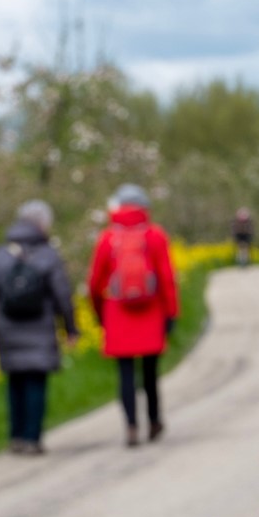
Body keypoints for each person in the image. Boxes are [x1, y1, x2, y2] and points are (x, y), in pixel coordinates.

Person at [0, 200, 79, 456]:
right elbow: (62, 294)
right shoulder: (48, 254)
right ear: (44, 224)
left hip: (8, 328)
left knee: (15, 382)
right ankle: (33, 438)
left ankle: (16, 437)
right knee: (36, 382)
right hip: (40, 328)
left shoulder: (2, 254)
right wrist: (70, 327)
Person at [87, 184, 179, 447]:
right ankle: (154, 420)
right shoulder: (155, 236)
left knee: (125, 373)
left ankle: (130, 427)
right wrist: (171, 314)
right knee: (150, 372)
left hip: (117, 313)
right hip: (151, 313)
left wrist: (99, 313)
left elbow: (94, 282)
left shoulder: (107, 238)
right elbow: (167, 278)